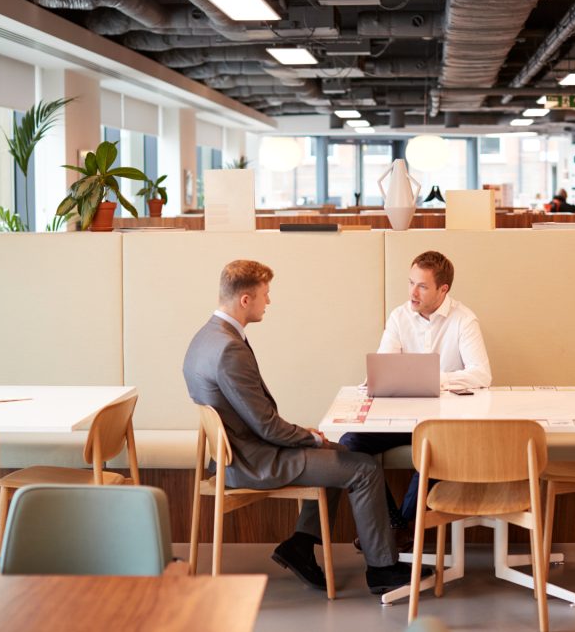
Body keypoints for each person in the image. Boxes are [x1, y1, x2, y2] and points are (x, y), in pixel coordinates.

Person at [182, 259, 426, 595]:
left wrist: (306, 436)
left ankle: (300, 544)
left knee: (344, 452)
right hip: (252, 461)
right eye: (265, 295)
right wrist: (309, 437)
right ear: (245, 300)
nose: (269, 301)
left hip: (239, 452)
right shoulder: (229, 350)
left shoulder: (206, 337)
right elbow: (266, 426)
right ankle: (382, 570)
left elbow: (255, 417)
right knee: (364, 468)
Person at [341, 251, 492, 548]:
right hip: (402, 417)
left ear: (443, 289)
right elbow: (384, 365)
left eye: (422, 286)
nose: (412, 292)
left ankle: (406, 527)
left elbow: (482, 375)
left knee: (432, 447)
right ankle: (396, 525)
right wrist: (376, 380)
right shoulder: (399, 316)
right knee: (349, 443)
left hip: (443, 422)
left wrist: (435, 379)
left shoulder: (464, 319)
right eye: (410, 282)